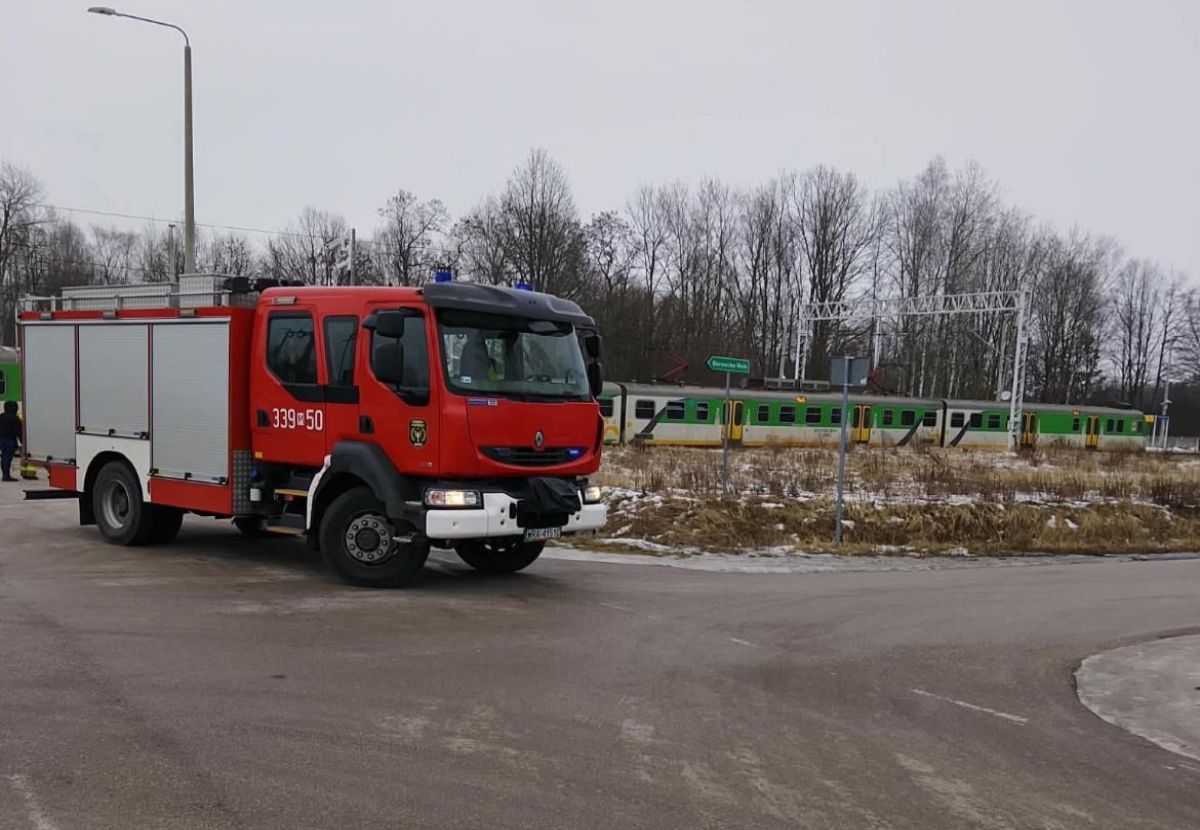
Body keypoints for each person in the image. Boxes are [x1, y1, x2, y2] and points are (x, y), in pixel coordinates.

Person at [0, 401, 22, 482]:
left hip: (1, 439)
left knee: (3, 457)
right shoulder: (15, 418)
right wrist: (23, 442)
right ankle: (6, 476)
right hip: (10, 440)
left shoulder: (1, 416)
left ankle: (4, 474)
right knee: (8, 458)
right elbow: (19, 431)